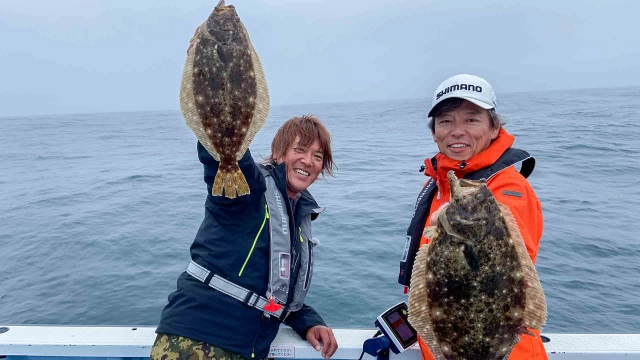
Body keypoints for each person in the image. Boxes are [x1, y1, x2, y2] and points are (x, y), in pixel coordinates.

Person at [152, 115, 339, 360]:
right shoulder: (248, 188)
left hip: (249, 349)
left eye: (317, 156)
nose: (308, 161)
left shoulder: (296, 214)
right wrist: (222, 112)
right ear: (278, 152)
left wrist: (308, 322)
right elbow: (221, 155)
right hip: (197, 340)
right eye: (300, 150)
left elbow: (275, 294)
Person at [398, 74, 547, 359]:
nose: (457, 130)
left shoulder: (509, 188)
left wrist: (457, 223)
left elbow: (506, 242)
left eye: (471, 119)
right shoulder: (439, 183)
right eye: (445, 121)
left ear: (494, 128)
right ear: (434, 132)